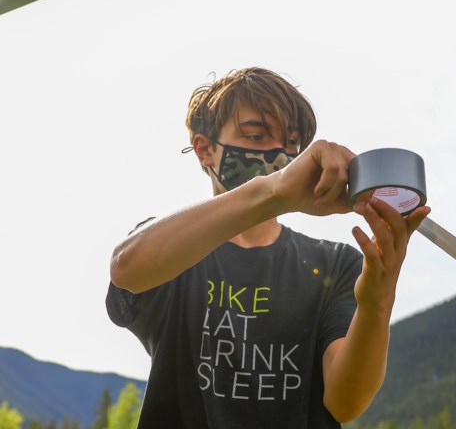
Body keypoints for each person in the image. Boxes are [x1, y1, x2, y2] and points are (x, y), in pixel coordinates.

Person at [106, 67, 429, 429]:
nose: (279, 154)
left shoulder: (336, 264)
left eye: (292, 143)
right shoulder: (178, 250)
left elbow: (345, 402)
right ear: (205, 150)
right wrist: (272, 191)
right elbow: (126, 268)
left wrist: (377, 303)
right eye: (257, 136)